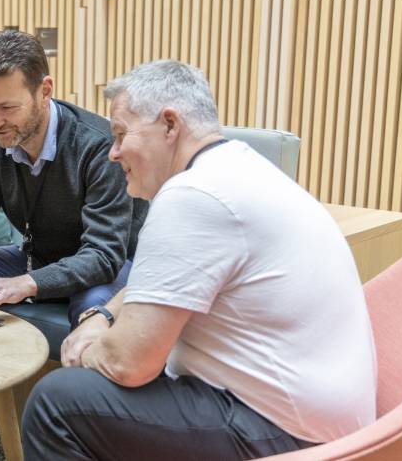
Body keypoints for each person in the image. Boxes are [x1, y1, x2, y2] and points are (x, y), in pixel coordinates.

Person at [21, 59, 377, 460]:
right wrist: (103, 316)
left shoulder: (193, 196)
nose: (113, 153)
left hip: (290, 432)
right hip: (326, 416)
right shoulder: (237, 169)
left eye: (121, 135)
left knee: (58, 401)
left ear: (170, 125)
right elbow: (158, 284)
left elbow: (128, 363)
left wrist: (84, 349)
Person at [0, 30, 147, 461]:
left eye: (7, 107)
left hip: (105, 269)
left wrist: (26, 283)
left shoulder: (98, 147)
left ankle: (92, 444)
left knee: (95, 309)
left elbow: (103, 254)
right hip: (37, 258)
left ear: (45, 90)